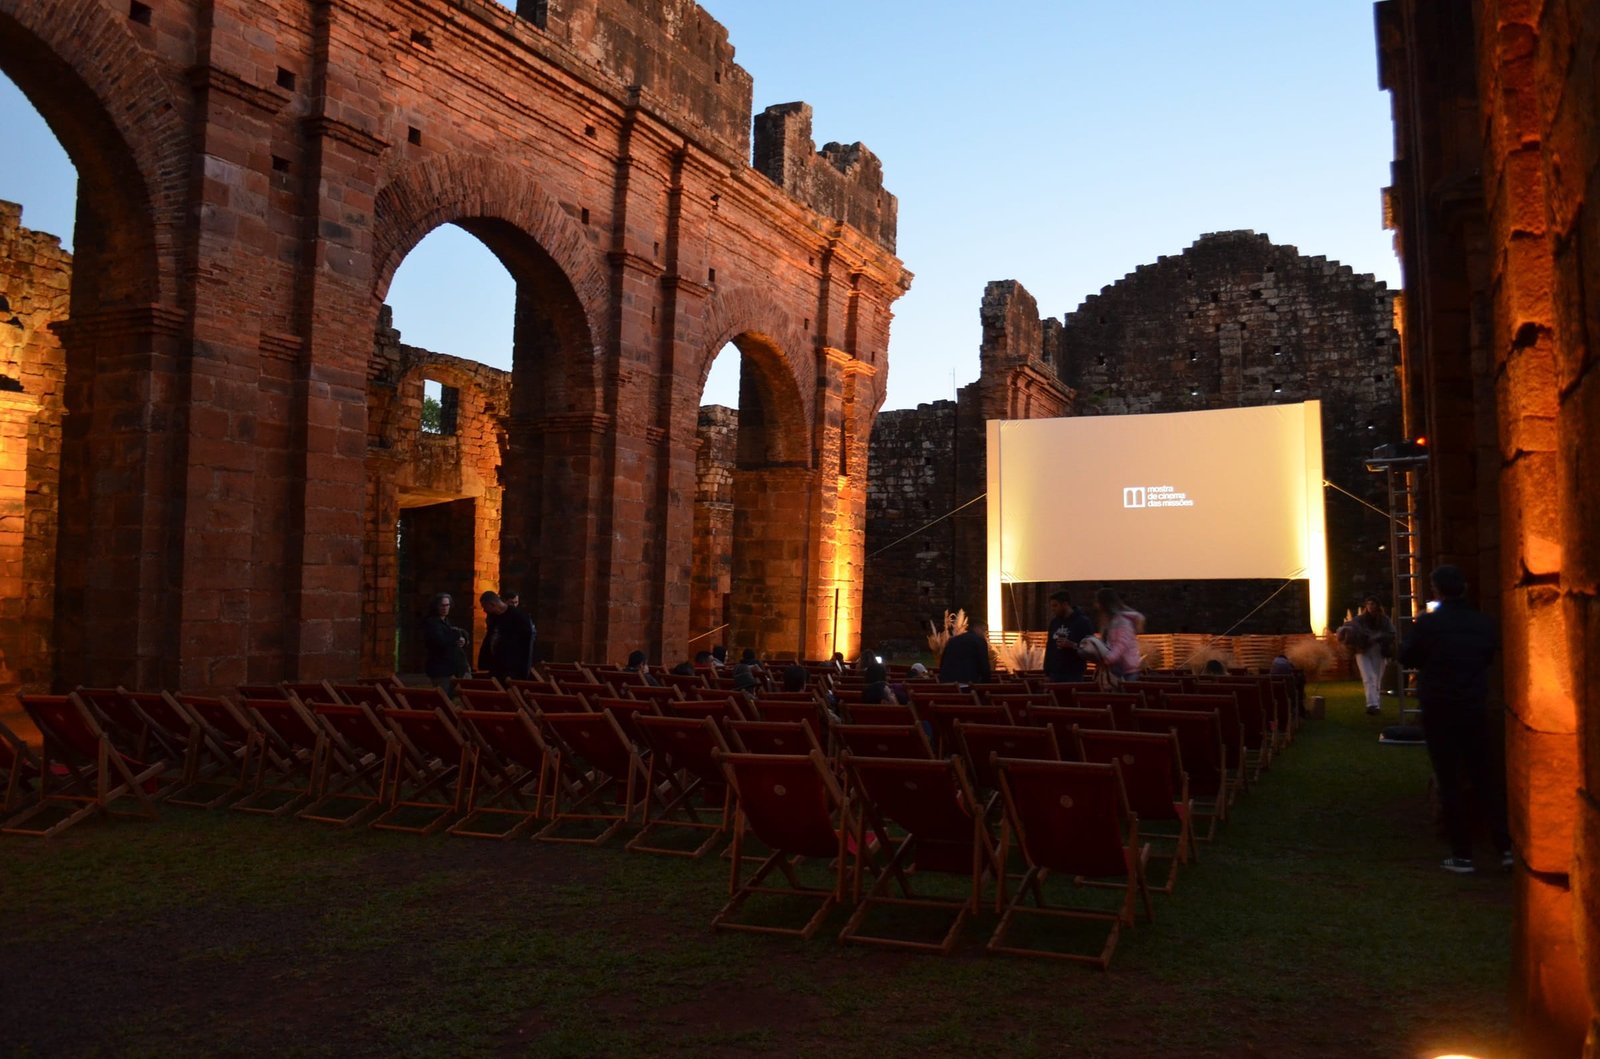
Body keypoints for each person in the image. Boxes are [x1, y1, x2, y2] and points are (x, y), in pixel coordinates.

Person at [1399, 565, 1511, 874]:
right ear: (1465, 589)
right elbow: (1489, 655)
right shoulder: (1483, 623)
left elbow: (1407, 656)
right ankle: (1505, 846)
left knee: (1449, 779)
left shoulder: (1430, 624)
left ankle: (1462, 854)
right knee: (1484, 777)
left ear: (1436, 591)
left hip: (1439, 706)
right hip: (1473, 703)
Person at [1078, 588, 1144, 688]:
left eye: (1097, 602)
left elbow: (1121, 644)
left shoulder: (1122, 622)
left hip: (1126, 670)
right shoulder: (1111, 622)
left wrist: (1108, 659)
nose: (1095, 605)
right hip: (1116, 668)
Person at [1340, 596, 1397, 715]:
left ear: (1377, 606)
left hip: (1378, 649)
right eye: (1368, 604)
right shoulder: (1359, 620)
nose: (1370, 606)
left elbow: (1391, 633)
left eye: (1373, 604)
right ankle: (1372, 704)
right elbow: (1348, 628)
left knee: (1376, 677)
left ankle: (1375, 704)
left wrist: (1378, 637)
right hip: (1362, 650)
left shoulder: (1384, 620)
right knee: (1368, 677)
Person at [478, 591, 535, 681]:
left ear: (492, 604)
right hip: (495, 666)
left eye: (485, 607)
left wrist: (523, 670)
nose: (484, 610)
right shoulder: (493, 618)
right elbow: (490, 638)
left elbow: (526, 644)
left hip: (512, 667)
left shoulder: (519, 617)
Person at [422, 592, 469, 696]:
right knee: (443, 697)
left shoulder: (446, 621)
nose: (445, 608)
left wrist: (462, 640)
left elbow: (451, 638)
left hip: (451, 667)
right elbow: (440, 641)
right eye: (442, 605)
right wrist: (456, 635)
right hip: (440, 667)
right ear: (436, 606)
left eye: (447, 605)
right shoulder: (432, 622)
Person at [1043, 590, 1095, 682]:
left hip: (1073, 673)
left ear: (1065, 604)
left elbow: (1090, 648)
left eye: (1055, 605)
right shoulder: (1054, 622)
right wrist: (1047, 672)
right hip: (1055, 673)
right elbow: (1050, 647)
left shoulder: (1082, 622)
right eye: (1051, 606)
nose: (1052, 609)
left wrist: (1072, 645)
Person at [939, 619, 992, 685]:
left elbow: (943, 661)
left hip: (947, 682)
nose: (985, 634)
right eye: (984, 630)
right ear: (977, 628)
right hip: (967, 682)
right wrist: (987, 684)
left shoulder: (953, 640)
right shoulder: (979, 641)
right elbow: (984, 665)